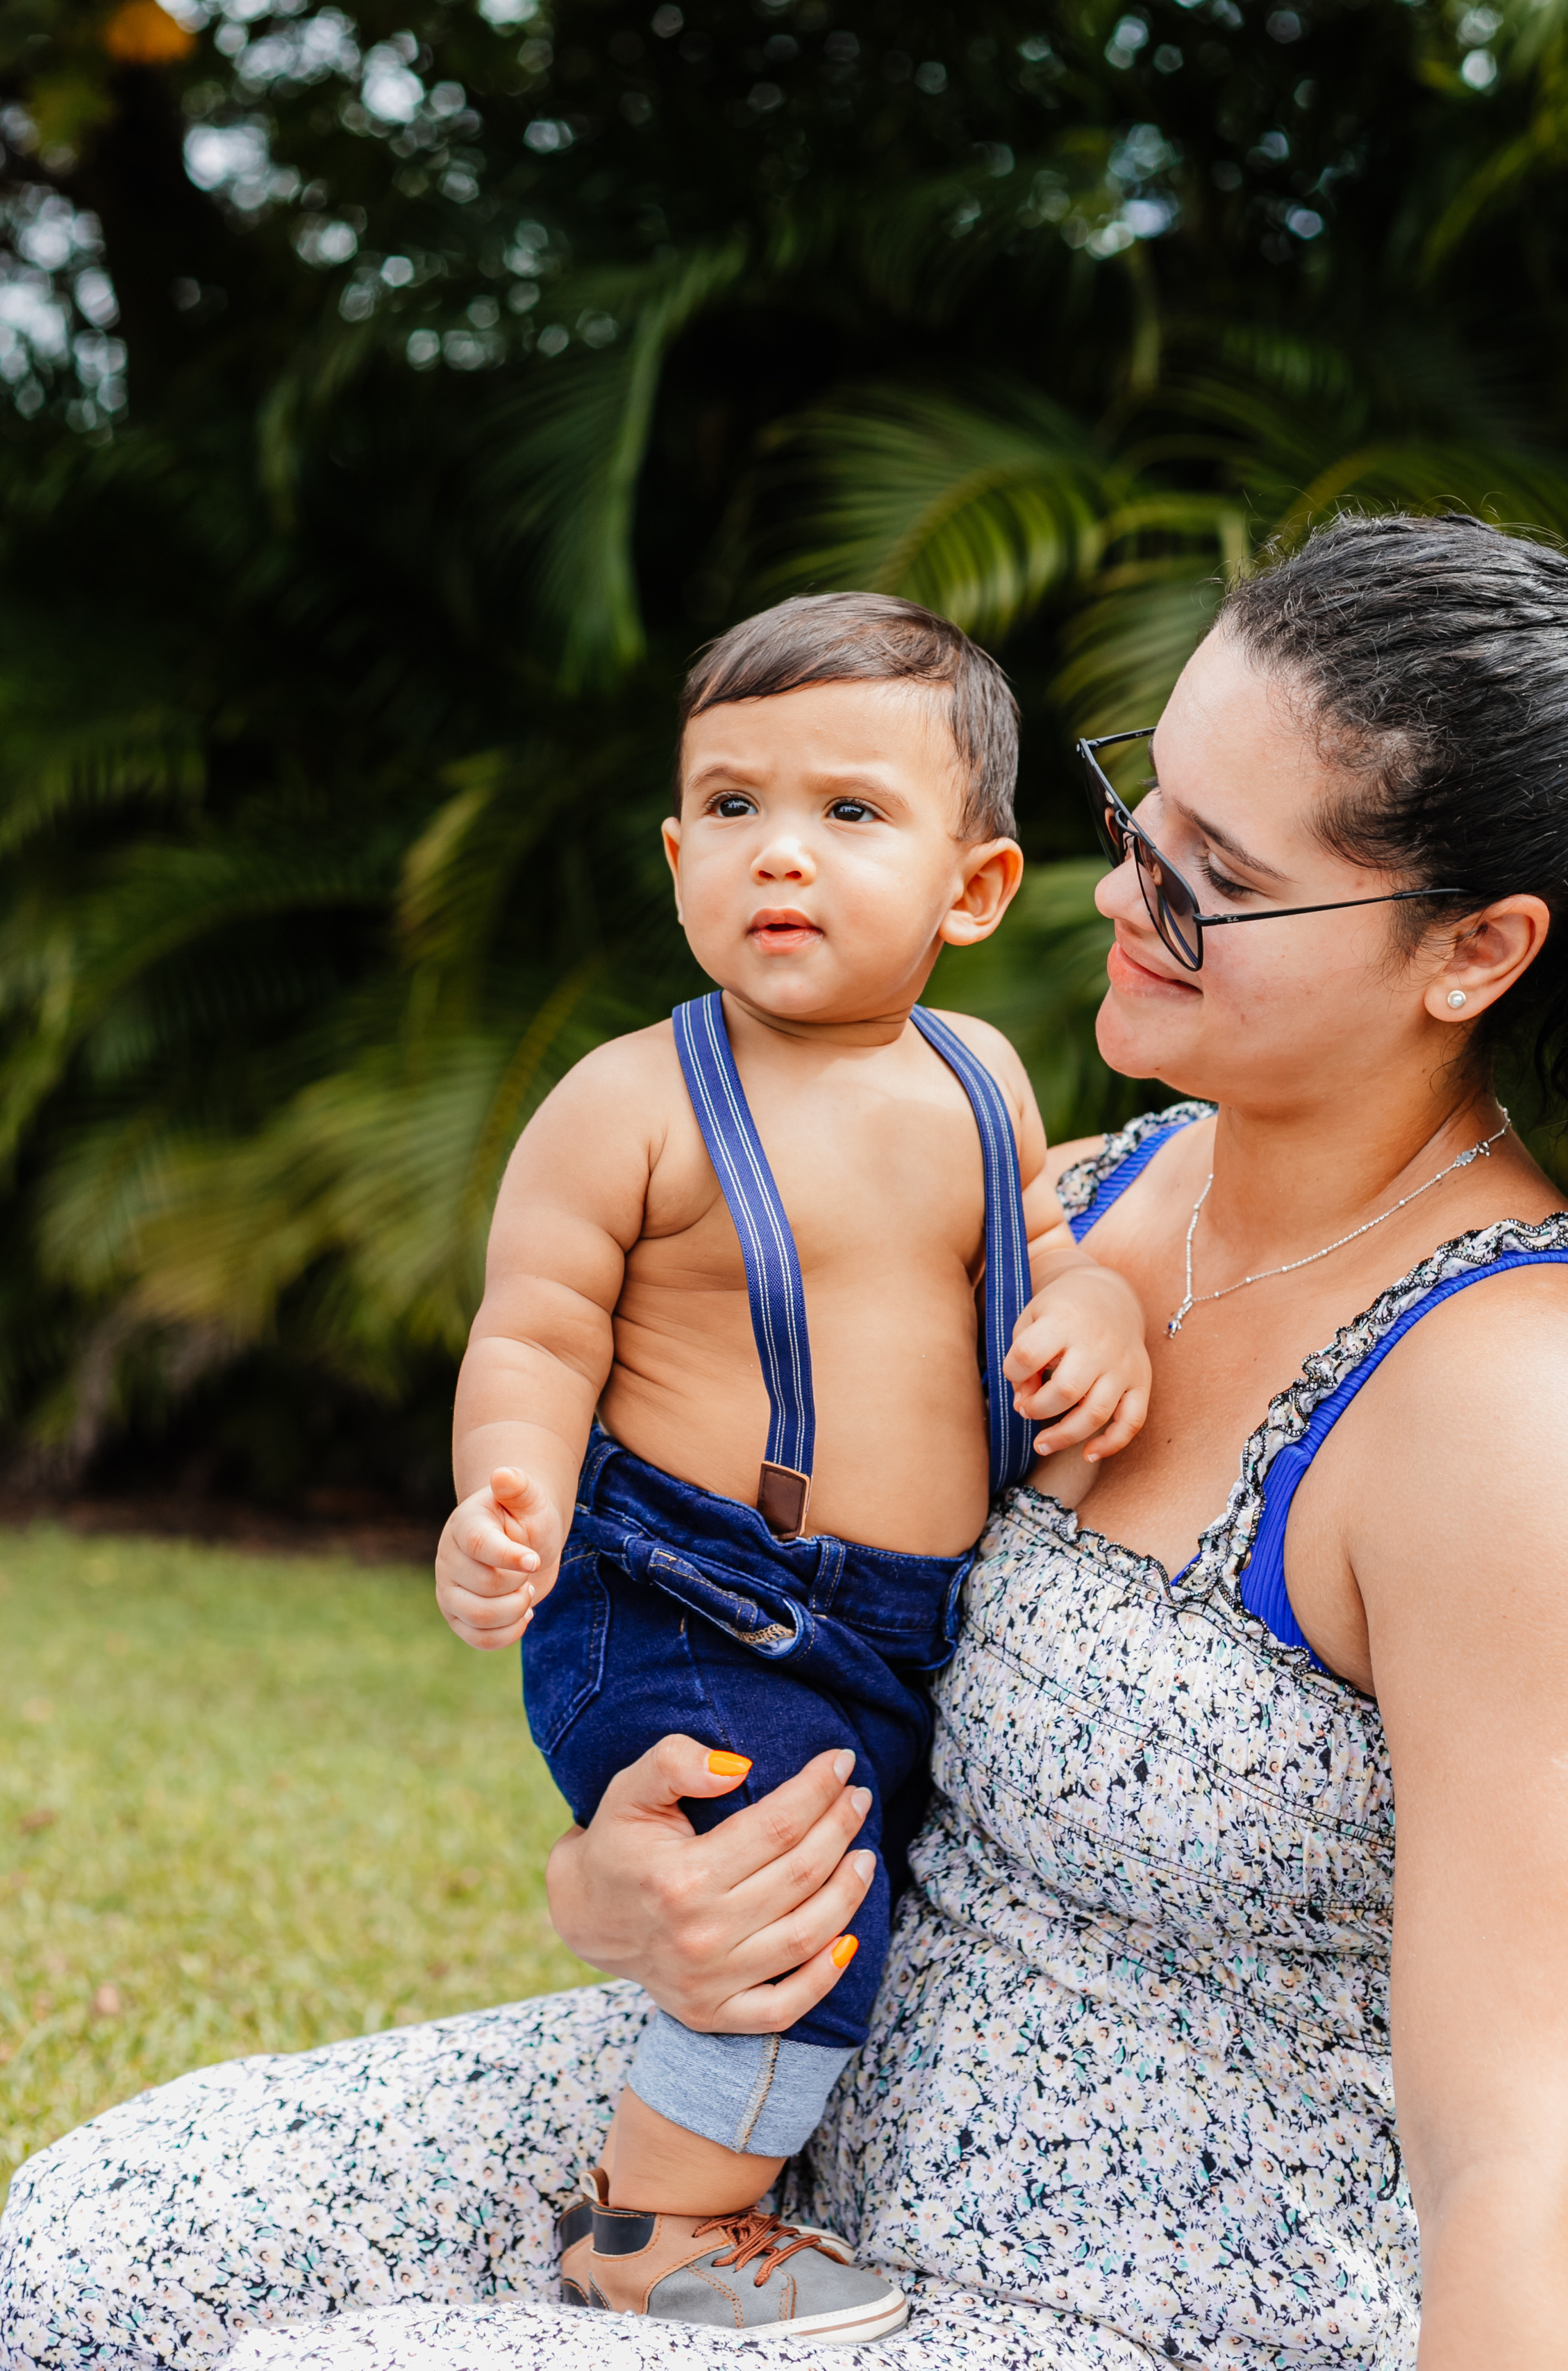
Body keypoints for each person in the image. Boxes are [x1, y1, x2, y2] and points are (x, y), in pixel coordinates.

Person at [3, 511, 1568, 2371]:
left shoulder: (1532, 1400)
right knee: (73, 2255)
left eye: (1210, 880)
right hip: (792, 2122)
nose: (1117, 898)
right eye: (1138, 818)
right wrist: (615, 1885)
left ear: (1473, 947)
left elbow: (1522, 2169)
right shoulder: (1080, 1192)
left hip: (1126, 2298)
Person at [430, 591, 1151, 2340]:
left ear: (974, 889)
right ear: (676, 855)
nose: (780, 854)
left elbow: (1048, 1250)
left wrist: (1102, 1311)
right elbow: (533, 1332)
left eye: (848, 814)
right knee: (792, 1911)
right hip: (687, 1605)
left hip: (910, 1620)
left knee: (871, 1904)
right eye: (734, 809)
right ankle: (652, 2235)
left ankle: (745, 2166)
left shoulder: (980, 1074)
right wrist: (502, 1494)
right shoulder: (632, 1101)